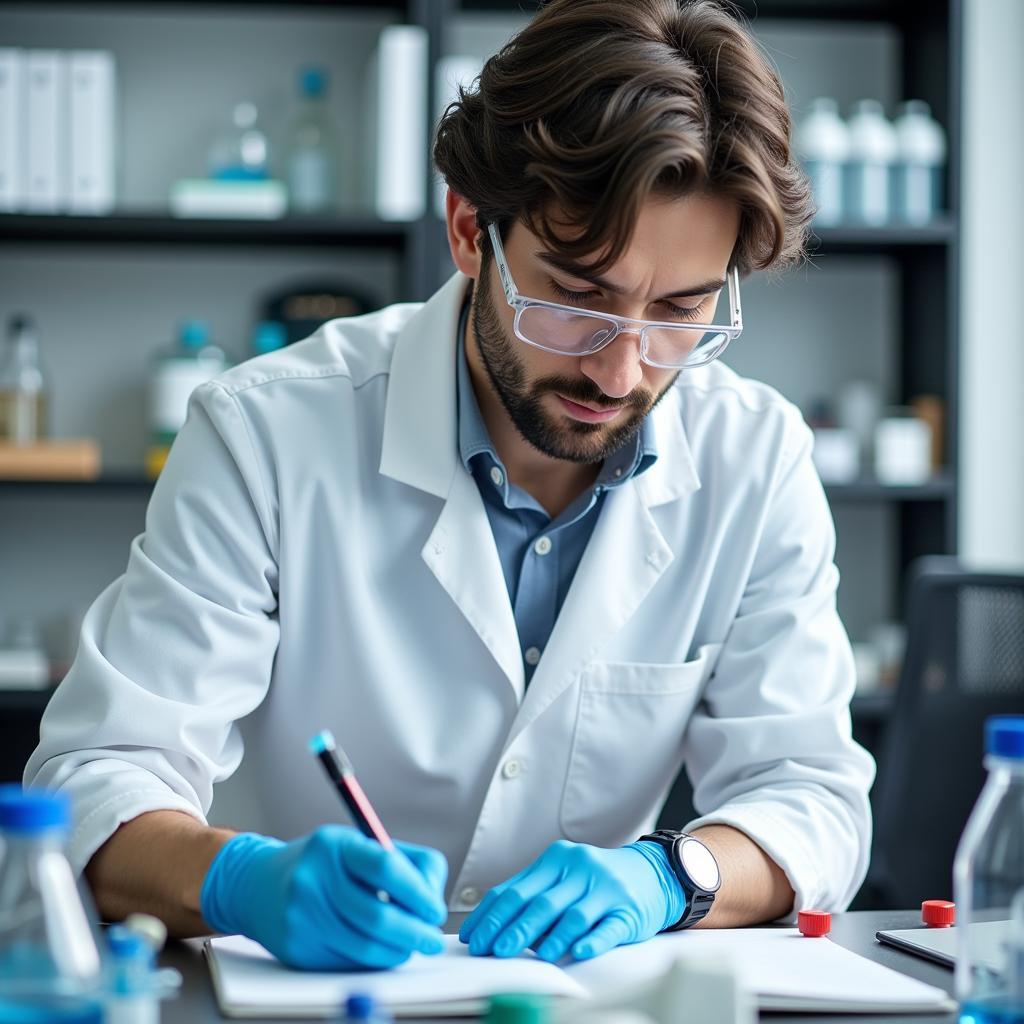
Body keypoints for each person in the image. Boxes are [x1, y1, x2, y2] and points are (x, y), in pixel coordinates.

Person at [26, 0, 874, 971]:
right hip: (317, 990)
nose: (622, 371)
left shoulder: (754, 458)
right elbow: (98, 775)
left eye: (680, 313)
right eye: (577, 300)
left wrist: (668, 876)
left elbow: (811, 798)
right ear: (470, 231)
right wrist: (237, 878)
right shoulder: (266, 430)